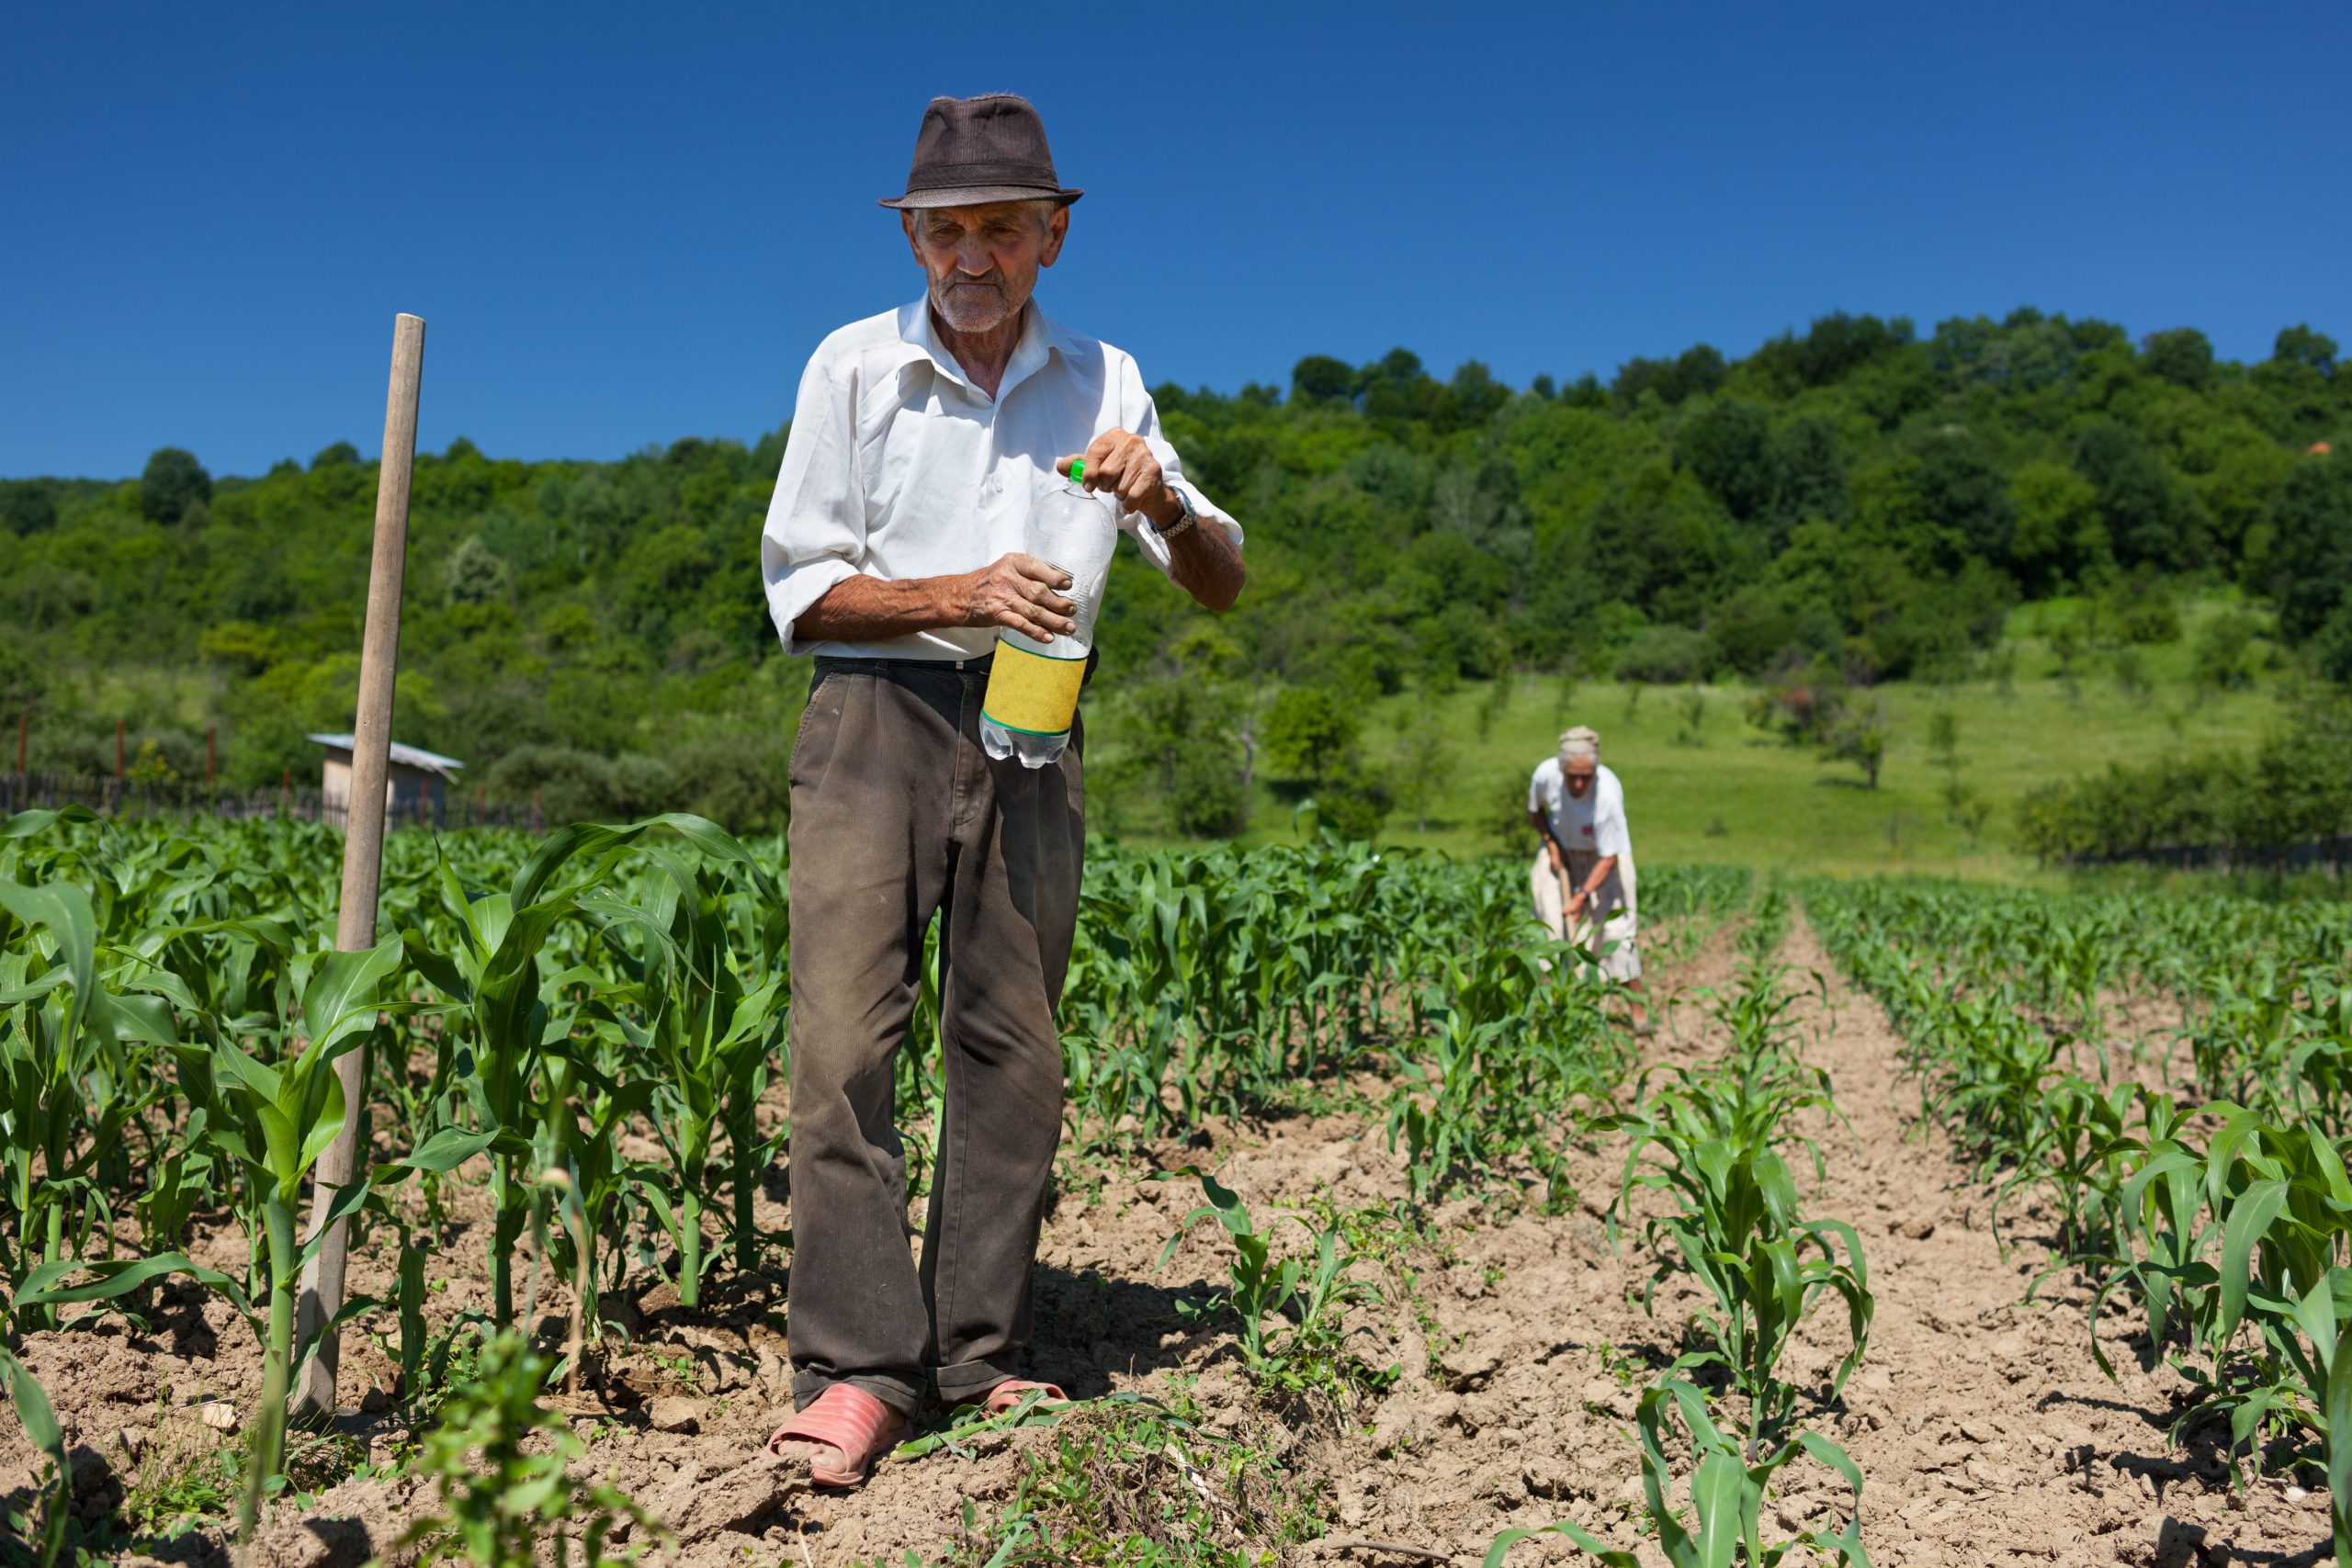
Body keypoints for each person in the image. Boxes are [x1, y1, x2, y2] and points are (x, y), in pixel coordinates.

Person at [756, 94, 1247, 1488]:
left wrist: (1159, 501)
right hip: (875, 714)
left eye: (998, 229)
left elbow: (1219, 578)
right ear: (915, 235)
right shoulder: (852, 369)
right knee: (846, 1041)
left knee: (1014, 1052)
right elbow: (802, 592)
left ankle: (976, 1355)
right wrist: (958, 591)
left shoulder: (1108, 378)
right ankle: (857, 1368)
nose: (967, 254)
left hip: (1039, 721)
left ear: (1053, 237)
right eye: (943, 228)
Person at [1527, 726, 1650, 1032]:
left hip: (1602, 859)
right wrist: (1551, 842)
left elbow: (1610, 858)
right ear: (1561, 770)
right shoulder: (1545, 775)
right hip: (1561, 852)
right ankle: (1555, 1008)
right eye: (1572, 777)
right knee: (1553, 930)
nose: (1579, 783)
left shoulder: (1607, 795)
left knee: (1615, 933)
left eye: (1586, 776)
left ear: (1596, 771)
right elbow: (1535, 810)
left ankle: (1637, 1009)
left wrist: (1582, 896)